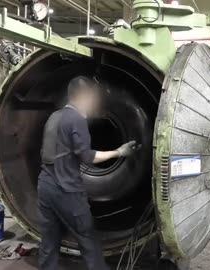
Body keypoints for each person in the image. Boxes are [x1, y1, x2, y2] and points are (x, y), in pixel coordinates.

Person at [37, 76, 138, 270]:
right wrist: (120, 151)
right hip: (67, 190)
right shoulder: (76, 119)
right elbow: (87, 157)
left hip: (45, 187)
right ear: (83, 97)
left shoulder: (54, 117)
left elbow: (48, 151)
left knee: (49, 240)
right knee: (87, 237)